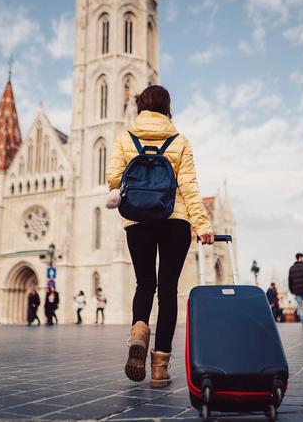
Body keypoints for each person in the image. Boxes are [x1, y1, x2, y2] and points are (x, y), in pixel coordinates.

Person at [105, 85, 213, 388]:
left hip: (137, 219)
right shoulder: (179, 141)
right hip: (174, 219)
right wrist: (202, 225)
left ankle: (139, 330)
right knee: (167, 290)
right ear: (167, 107)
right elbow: (190, 186)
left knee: (144, 283)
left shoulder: (125, 137)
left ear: (140, 106)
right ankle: (159, 369)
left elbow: (113, 177)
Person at [288, 253, 303, 328]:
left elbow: (290, 280)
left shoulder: (292, 268)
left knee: (300, 306)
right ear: (300, 258)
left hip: (297, 291)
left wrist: (292, 290)